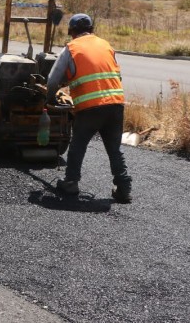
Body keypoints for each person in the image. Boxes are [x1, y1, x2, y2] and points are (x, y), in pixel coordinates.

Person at [47, 13, 131, 203]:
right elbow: (115, 75)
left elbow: (52, 79)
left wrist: (48, 98)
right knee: (114, 149)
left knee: (78, 145)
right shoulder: (106, 45)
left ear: (71, 32)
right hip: (116, 105)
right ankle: (123, 187)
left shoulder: (71, 48)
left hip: (90, 108)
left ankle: (71, 182)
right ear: (92, 29)